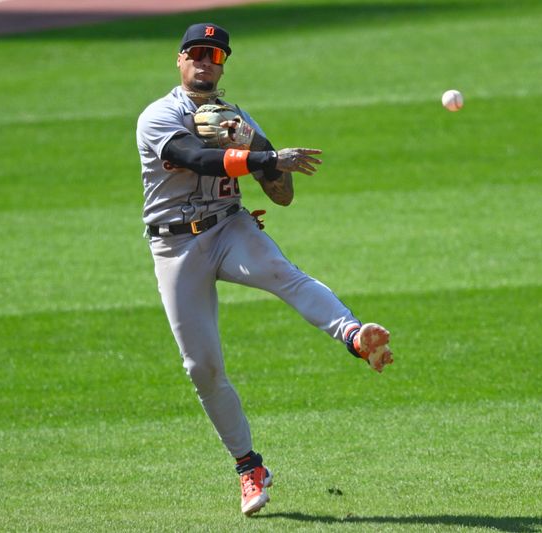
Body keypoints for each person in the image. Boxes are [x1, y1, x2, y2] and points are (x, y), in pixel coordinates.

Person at [135, 22, 394, 517]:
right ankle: (249, 467)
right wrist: (265, 154)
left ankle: (355, 336)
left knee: (281, 272)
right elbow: (191, 156)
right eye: (197, 53)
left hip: (228, 229)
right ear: (180, 59)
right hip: (175, 249)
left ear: (223, 64)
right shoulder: (159, 116)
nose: (205, 62)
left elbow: (283, 195)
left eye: (215, 55)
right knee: (202, 367)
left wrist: (259, 149)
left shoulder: (237, 118)